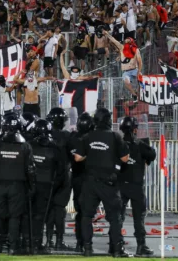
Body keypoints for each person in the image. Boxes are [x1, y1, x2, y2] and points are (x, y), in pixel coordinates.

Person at [74, 107, 130, 257]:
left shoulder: (87, 137)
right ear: (107, 120)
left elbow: (78, 157)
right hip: (109, 182)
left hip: (90, 181)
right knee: (115, 217)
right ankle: (117, 250)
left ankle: (87, 249)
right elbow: (125, 158)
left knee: (87, 215)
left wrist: (91, 154)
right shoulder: (115, 136)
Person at [0, 114, 36, 255]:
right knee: (15, 217)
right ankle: (12, 248)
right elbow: (31, 170)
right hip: (17, 186)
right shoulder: (25, 146)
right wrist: (32, 186)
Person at [119, 117, 156, 256]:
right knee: (138, 218)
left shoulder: (118, 143)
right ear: (135, 129)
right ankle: (141, 246)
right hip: (136, 186)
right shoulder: (140, 144)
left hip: (120, 185)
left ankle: (117, 246)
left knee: (118, 217)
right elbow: (152, 154)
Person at [29, 119, 64, 254]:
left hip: (30, 184)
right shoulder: (54, 148)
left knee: (28, 214)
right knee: (40, 216)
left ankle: (26, 242)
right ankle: (36, 243)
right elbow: (61, 171)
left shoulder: (29, 145)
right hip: (46, 185)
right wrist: (54, 185)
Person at [45, 107, 72, 251]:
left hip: (48, 176)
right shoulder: (67, 136)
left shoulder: (46, 134)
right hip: (63, 176)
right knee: (59, 210)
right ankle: (59, 241)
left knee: (49, 209)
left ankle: (49, 240)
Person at [68, 112, 94, 253]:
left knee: (80, 212)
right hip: (88, 178)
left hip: (77, 178)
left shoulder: (72, 138)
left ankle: (80, 242)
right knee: (87, 213)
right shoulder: (90, 139)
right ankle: (85, 242)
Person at [103, 30, 142, 103]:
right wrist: (107, 34)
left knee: (142, 79)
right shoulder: (122, 48)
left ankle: (139, 92)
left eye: (128, 41)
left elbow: (140, 62)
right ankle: (134, 95)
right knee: (126, 81)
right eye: (125, 41)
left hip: (134, 69)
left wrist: (139, 72)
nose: (126, 42)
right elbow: (114, 40)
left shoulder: (136, 50)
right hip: (126, 71)